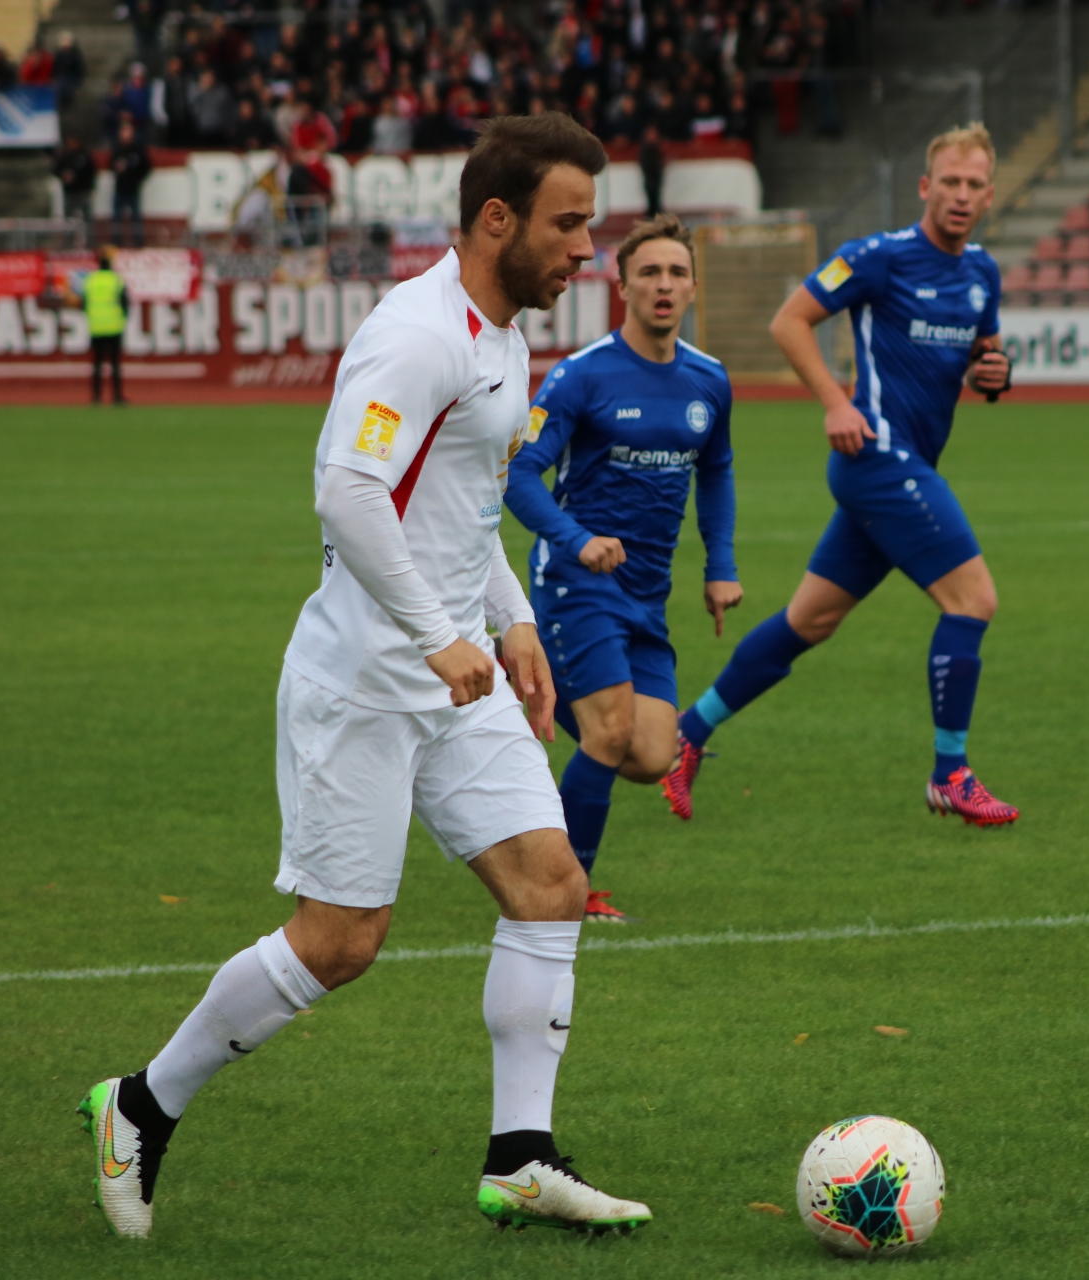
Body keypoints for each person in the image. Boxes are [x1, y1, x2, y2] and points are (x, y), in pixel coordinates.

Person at [76, 113, 654, 1241]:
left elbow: (464, 505)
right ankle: (139, 1104)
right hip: (364, 683)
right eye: (569, 224)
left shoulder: (503, 337)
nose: (589, 249)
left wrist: (512, 619)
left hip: (459, 679)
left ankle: (521, 1158)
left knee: (551, 883)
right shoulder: (416, 334)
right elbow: (348, 492)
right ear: (499, 220)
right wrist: (441, 634)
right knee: (340, 942)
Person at [664, 124, 1019, 827]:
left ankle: (686, 734)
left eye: (974, 185)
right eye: (950, 181)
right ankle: (950, 774)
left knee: (810, 620)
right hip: (877, 458)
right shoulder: (878, 257)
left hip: (904, 469)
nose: (961, 194)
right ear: (925, 187)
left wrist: (997, 375)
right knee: (974, 600)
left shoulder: (982, 273)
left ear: (988, 197)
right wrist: (835, 402)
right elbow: (789, 321)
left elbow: (988, 357)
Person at [504, 215, 739, 925]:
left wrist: (720, 565)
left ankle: (530, 684)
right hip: (577, 582)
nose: (663, 285)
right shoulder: (582, 375)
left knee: (650, 755)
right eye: (649, 273)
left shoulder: (709, 380)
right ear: (623, 285)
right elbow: (519, 475)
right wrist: (576, 540)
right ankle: (565, 891)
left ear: (693, 287)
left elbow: (717, 472)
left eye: (676, 273)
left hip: (647, 593)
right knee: (607, 733)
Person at [74, 248, 129, 404]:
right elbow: (125, 303)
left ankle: (96, 396)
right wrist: (122, 318)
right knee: (115, 364)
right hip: (114, 326)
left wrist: (92, 317)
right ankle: (117, 396)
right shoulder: (116, 279)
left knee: (97, 364)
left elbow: (84, 303)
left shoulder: (90, 280)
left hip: (96, 327)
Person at [108, 117, 150, 247]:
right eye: (123, 131)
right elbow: (110, 166)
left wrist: (138, 178)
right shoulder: (117, 149)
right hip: (120, 188)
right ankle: (117, 242)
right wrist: (117, 168)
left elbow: (146, 167)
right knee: (117, 217)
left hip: (133, 189)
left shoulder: (138, 150)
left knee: (136, 217)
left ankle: (138, 242)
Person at [54, 134, 96, 225]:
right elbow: (56, 170)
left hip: (83, 191)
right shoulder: (64, 156)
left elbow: (91, 172)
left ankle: (89, 233)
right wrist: (63, 175)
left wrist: (90, 187)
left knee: (87, 217)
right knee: (68, 217)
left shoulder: (84, 156)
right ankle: (68, 234)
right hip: (70, 192)